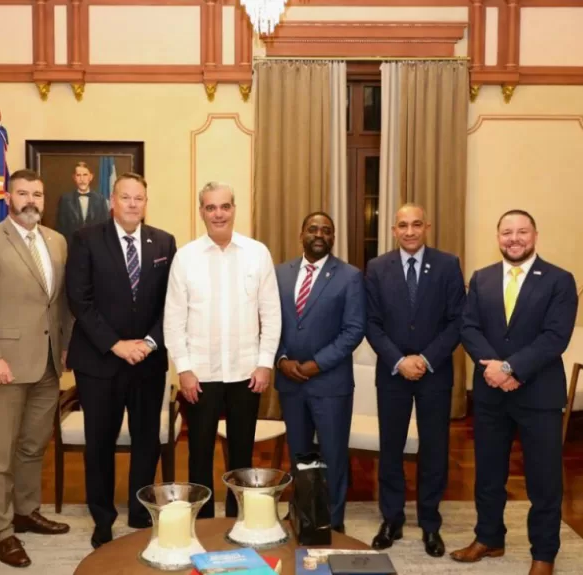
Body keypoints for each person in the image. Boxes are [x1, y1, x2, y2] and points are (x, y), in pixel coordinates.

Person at [451, 209, 578, 575]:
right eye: (507, 232)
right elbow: (468, 327)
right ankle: (488, 538)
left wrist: (511, 368)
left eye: (522, 231)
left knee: (544, 480)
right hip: (492, 394)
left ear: (535, 235)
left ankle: (544, 554)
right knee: (489, 474)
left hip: (539, 395)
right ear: (498, 237)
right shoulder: (482, 278)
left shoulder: (559, 280)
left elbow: (555, 337)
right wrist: (493, 367)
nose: (514, 239)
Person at [0, 168, 72, 568]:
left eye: (37, 194)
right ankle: (1, 531)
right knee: (0, 454)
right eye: (23, 193)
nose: (31, 201)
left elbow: (59, 303)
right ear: (8, 198)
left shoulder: (56, 242)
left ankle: (26, 512)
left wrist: (64, 349)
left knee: (32, 445)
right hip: (4, 365)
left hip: (47, 363)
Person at [64, 172, 177, 549]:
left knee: (147, 439)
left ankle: (141, 510)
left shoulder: (163, 242)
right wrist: (116, 344)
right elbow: (80, 300)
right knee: (100, 442)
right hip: (99, 362)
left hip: (147, 361)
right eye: (125, 197)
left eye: (139, 198)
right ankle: (103, 517)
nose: (132, 204)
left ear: (146, 203)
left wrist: (147, 342)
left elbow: (170, 303)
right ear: (112, 201)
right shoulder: (85, 240)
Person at [163, 181, 282, 519]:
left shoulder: (257, 253)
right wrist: (183, 369)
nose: (218, 213)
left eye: (225, 206)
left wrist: (264, 363)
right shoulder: (185, 258)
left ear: (234, 209)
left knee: (242, 455)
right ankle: (201, 524)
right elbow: (173, 320)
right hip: (199, 375)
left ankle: (239, 519)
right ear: (201, 211)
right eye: (211, 207)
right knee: (199, 453)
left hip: (247, 373)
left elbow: (271, 314)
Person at [364, 203, 466, 558]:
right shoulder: (377, 268)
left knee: (434, 450)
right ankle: (391, 519)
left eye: (416, 224)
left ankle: (430, 523)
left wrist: (424, 359)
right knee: (390, 448)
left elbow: (457, 321)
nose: (410, 231)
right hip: (392, 373)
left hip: (433, 373)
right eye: (403, 225)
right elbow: (371, 323)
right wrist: (398, 360)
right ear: (393, 230)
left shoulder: (447, 265)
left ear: (427, 227)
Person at [274, 212, 365, 532]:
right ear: (301, 233)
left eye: (327, 231)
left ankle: (332, 522)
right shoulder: (279, 273)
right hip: (290, 381)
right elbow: (270, 322)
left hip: (330, 382)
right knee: (299, 452)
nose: (319, 234)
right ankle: (301, 512)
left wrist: (317, 364)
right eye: (313, 228)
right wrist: (282, 359)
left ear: (333, 237)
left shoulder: (350, 276)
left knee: (333, 454)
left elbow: (353, 330)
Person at [57, 161, 110, 239]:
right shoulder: (65, 200)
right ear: (74, 177)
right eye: (78, 175)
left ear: (91, 177)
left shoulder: (100, 200)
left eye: (85, 175)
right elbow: (60, 228)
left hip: (94, 247)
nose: (82, 179)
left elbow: (106, 228)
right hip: (72, 247)